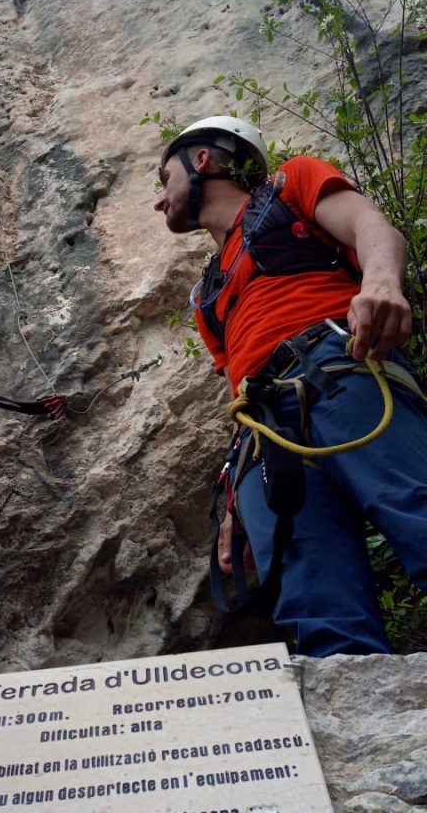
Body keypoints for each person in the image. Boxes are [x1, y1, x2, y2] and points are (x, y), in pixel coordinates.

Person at [153, 114, 427, 657]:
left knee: (417, 508)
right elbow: (237, 384)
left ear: (201, 159)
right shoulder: (206, 296)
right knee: (313, 595)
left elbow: (371, 226)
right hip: (264, 430)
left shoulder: (291, 184)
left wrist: (379, 283)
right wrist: (233, 494)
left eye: (165, 181)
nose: (160, 201)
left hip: (337, 364)